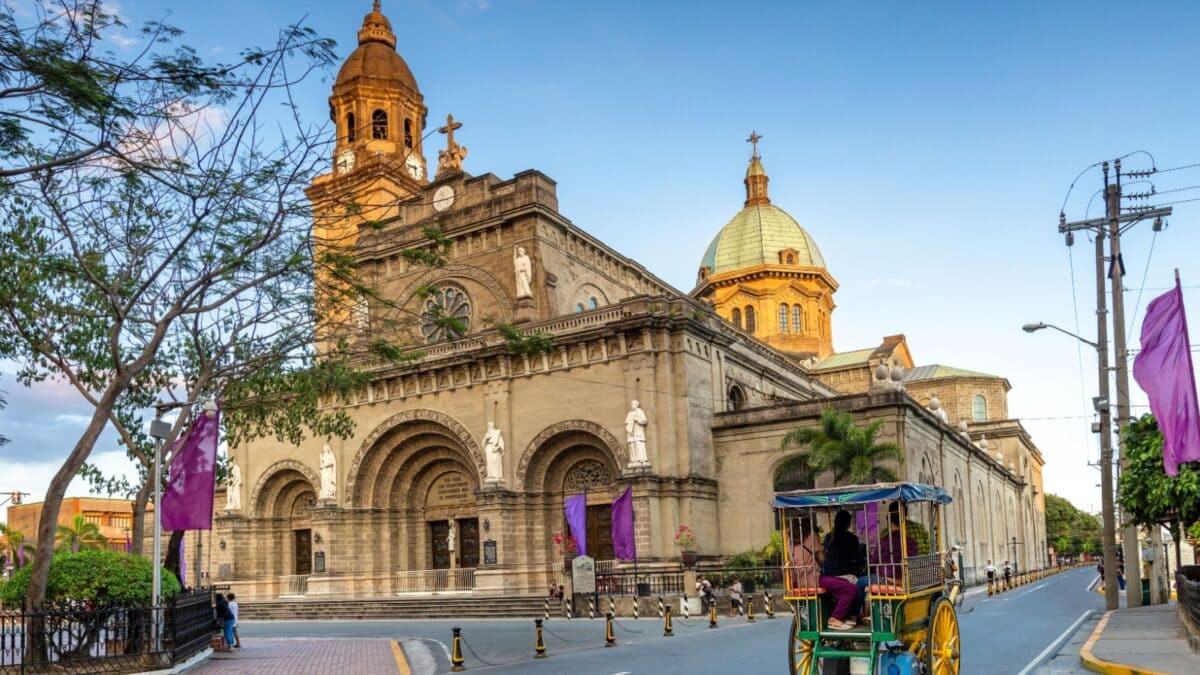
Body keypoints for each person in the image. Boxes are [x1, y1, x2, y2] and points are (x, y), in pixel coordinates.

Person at [856, 503, 917, 613]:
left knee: (859, 582)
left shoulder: (884, 541)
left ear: (889, 521)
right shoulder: (911, 542)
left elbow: (873, 562)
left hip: (886, 579)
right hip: (905, 580)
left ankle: (856, 614)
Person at [820, 509, 863, 630]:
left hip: (828, 575)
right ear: (848, 524)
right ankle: (853, 614)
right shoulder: (852, 538)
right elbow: (858, 559)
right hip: (845, 575)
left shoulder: (828, 537)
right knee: (859, 584)